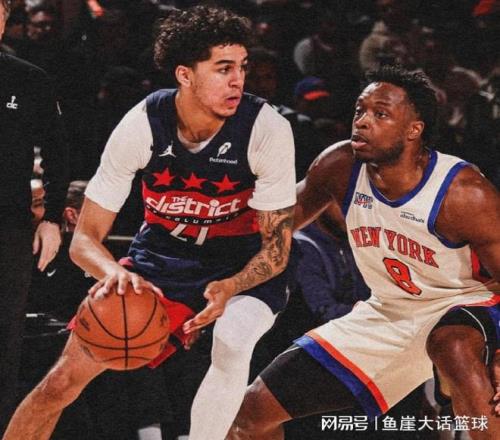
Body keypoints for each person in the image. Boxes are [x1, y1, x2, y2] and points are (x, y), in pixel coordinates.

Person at [3, 5, 296, 440]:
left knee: (233, 341)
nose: (238, 79)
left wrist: (231, 286)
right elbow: (84, 240)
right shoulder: (143, 123)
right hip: (162, 258)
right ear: (185, 75)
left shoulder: (267, 129)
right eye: (223, 68)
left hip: (242, 265)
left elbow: (278, 250)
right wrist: (115, 274)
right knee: (61, 382)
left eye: (242, 66)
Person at [227, 65, 500, 440]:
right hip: (389, 311)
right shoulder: (340, 167)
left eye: (380, 113)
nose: (362, 121)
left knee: (452, 343)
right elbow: (272, 227)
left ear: (413, 130)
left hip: (470, 303)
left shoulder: (464, 192)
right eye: (360, 110)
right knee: (249, 415)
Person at [0, 0, 68, 435]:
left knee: (4, 344)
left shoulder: (28, 78)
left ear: (5, 17)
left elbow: (59, 150)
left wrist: (52, 219)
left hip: (7, 228)